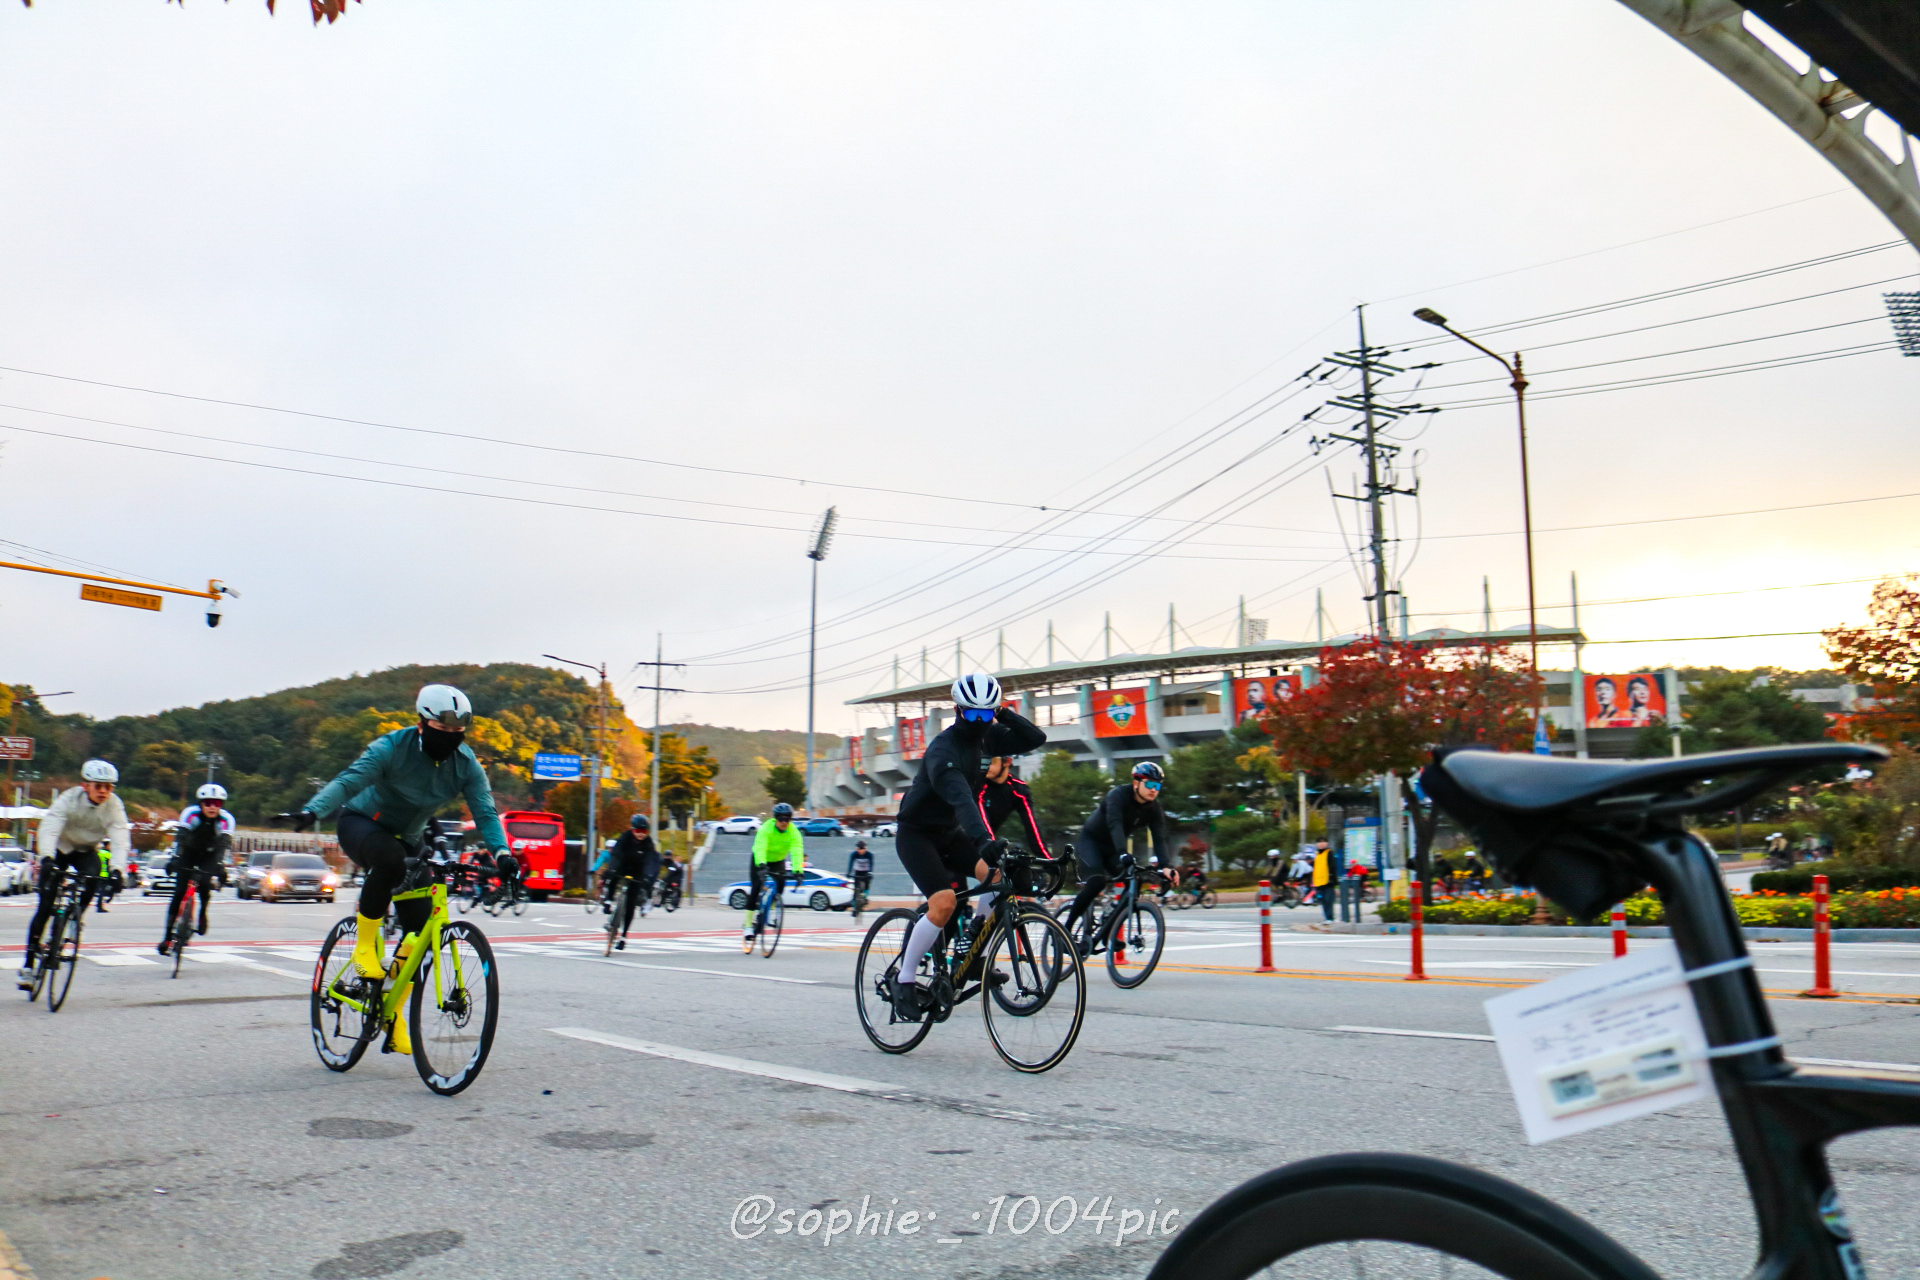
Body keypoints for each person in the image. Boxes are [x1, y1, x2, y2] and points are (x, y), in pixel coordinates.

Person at [277, 684, 509, 1057]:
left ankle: (394, 1013)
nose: (450, 737)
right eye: (442, 730)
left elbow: (485, 811)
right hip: (362, 822)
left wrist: (502, 854)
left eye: (457, 732)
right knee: (388, 862)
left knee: (419, 936)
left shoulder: (466, 765)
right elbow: (349, 781)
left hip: (409, 838)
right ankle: (364, 949)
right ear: (422, 723)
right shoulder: (391, 747)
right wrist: (313, 810)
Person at [891, 673, 1046, 1011]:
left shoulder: (988, 737)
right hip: (917, 835)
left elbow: (1035, 737)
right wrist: (984, 839)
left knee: (997, 880)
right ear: (958, 710)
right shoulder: (943, 751)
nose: (979, 721)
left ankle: (973, 954)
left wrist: (1002, 712)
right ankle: (904, 979)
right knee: (945, 902)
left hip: (950, 834)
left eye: (986, 713)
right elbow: (963, 800)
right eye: (972, 713)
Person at [19, 759, 130, 988]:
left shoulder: (114, 806)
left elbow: (120, 839)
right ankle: (28, 965)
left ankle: (75, 918)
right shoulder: (68, 799)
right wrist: (46, 858)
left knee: (93, 879)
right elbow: (50, 828)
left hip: (86, 851)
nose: (103, 791)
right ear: (85, 785)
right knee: (45, 906)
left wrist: (118, 871)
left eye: (108, 787)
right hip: (60, 848)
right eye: (98, 786)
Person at [1063, 760, 1179, 950]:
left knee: (1134, 881)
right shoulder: (1117, 795)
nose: (1154, 789)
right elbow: (1114, 824)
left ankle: (1109, 931)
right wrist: (1124, 853)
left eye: (1157, 786)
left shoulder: (1154, 808)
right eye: (1150, 784)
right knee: (1097, 882)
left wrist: (1166, 866)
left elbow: (1159, 838)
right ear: (1136, 783)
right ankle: (1065, 930)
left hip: (1113, 848)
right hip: (1091, 841)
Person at [158, 783, 234, 955]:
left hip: (210, 855)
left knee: (205, 884)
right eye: (208, 803)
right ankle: (167, 936)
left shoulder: (226, 819)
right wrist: (175, 859)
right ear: (201, 804)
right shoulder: (190, 814)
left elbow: (224, 845)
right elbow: (180, 839)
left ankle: (202, 913)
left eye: (217, 803)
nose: (213, 807)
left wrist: (221, 867)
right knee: (179, 892)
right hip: (188, 853)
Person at [746, 802, 804, 952]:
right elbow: (760, 847)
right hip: (761, 859)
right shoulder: (766, 828)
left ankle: (770, 911)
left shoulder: (794, 832)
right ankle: (748, 925)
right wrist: (761, 865)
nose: (784, 822)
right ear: (776, 819)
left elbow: (797, 850)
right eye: (781, 819)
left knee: (781, 885)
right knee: (756, 887)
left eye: (787, 819)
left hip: (778, 861)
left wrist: (798, 871)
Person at [604, 813, 660, 949]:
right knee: (613, 876)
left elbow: (651, 860)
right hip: (623, 866)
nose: (641, 834)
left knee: (631, 904)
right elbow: (616, 854)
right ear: (632, 829)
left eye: (644, 831)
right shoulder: (625, 837)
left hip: (637, 872)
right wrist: (612, 868)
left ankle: (623, 936)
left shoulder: (648, 843)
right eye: (638, 830)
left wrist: (648, 876)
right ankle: (608, 901)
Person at [977, 755, 1049, 858]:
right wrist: (992, 849)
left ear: (1008, 762)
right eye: (983, 760)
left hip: (984, 845)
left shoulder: (1019, 790)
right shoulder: (977, 785)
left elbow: (1033, 829)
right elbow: (983, 825)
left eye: (992, 761)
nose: (986, 765)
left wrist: (1049, 861)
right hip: (961, 839)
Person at [847, 838, 875, 910]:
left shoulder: (869, 855)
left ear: (865, 849)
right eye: (859, 849)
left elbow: (871, 864)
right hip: (858, 871)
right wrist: (849, 873)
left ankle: (865, 896)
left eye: (862, 849)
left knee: (867, 885)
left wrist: (870, 872)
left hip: (866, 872)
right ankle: (854, 901)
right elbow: (850, 864)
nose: (861, 851)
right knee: (856, 887)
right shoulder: (854, 854)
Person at [1311, 839, 1336, 920]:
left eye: (1323, 842)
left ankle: (1330, 918)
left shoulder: (1329, 852)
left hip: (1328, 881)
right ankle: (1327, 918)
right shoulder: (1317, 854)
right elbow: (1316, 868)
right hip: (1319, 882)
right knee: (1323, 900)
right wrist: (1314, 881)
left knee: (1328, 900)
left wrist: (1332, 878)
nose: (1321, 844)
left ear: (1326, 843)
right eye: (1319, 842)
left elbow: (1332, 866)